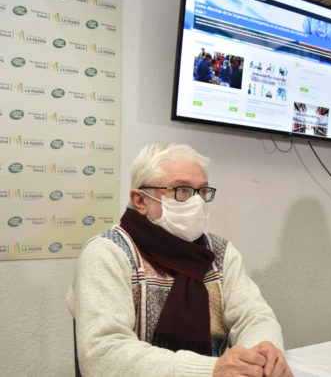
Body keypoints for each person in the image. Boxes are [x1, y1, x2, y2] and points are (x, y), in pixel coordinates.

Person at [67, 142, 292, 377]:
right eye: (181, 190)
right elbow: (103, 354)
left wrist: (261, 355)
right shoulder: (108, 253)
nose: (196, 202)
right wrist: (211, 370)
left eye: (202, 191)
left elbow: (254, 317)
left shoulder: (220, 253)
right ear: (141, 200)